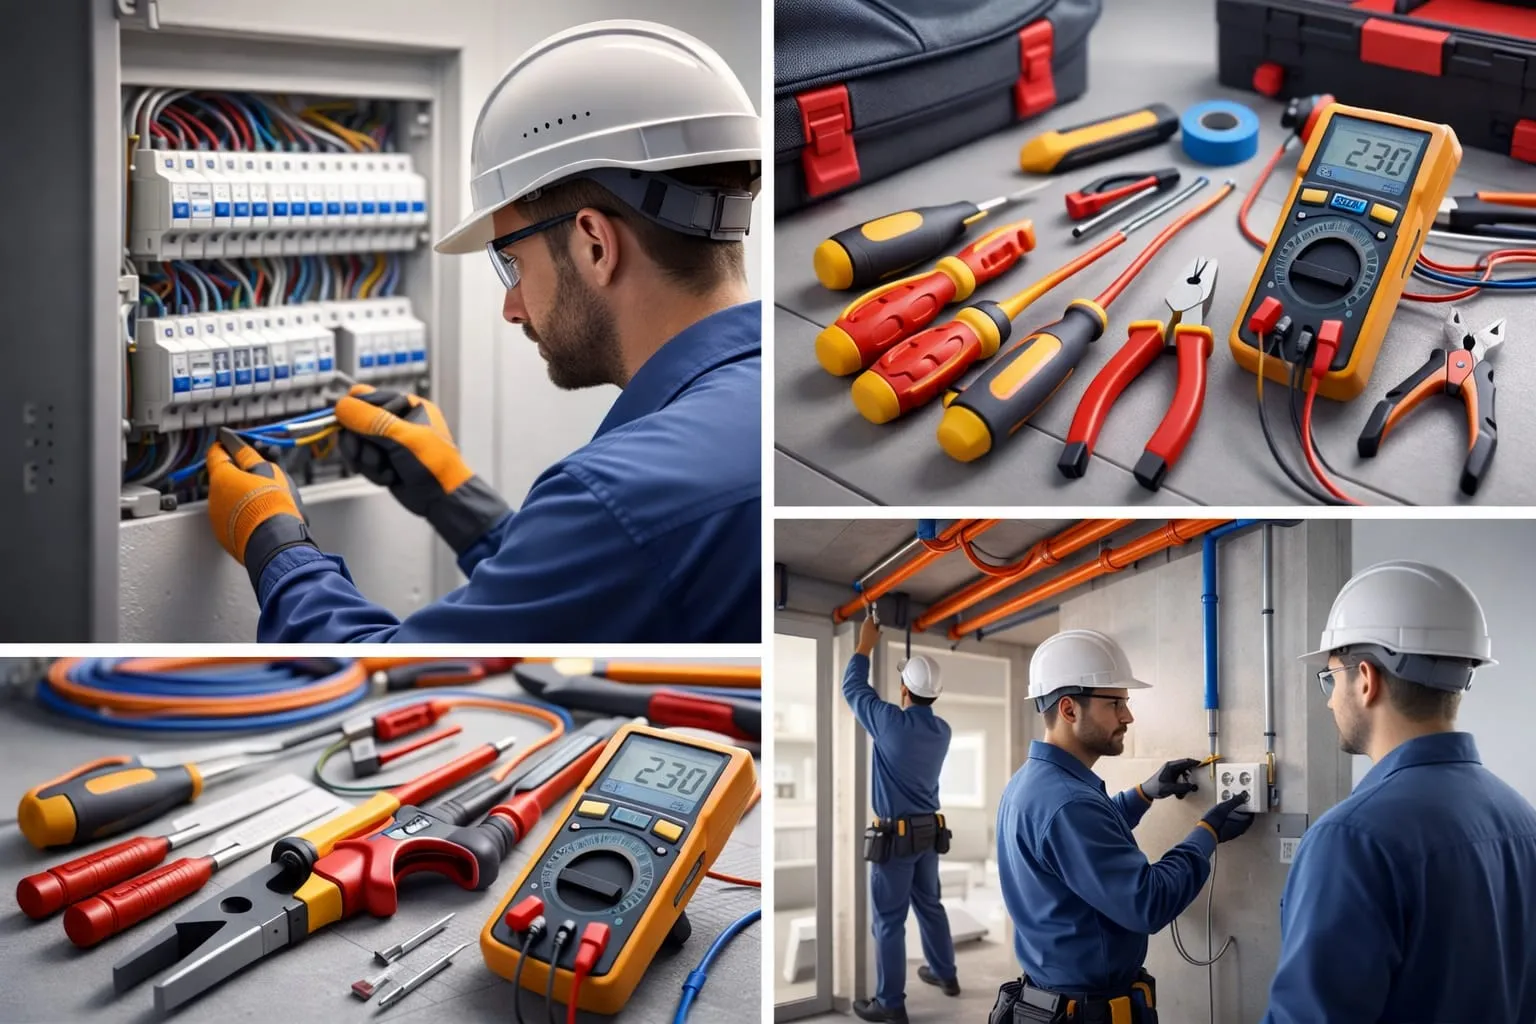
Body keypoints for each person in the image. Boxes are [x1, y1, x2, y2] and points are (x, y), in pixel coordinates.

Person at [200, 20, 761, 641]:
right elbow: (614, 581)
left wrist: (275, 545)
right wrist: (458, 501)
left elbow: (397, 672)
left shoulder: (618, 495)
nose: (512, 307)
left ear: (595, 244)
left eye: (512, 262)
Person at [1264, 561, 1536, 1022]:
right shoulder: (1522, 819)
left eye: (1331, 677)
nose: (1330, 699)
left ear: (1366, 679)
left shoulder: (1351, 840)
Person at [991, 629, 1254, 1024]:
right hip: (1085, 1012)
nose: (1128, 716)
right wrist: (1208, 831)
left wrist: (1145, 792)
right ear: (1068, 709)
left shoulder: (1034, 783)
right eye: (1115, 703)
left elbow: (1082, 842)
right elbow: (1148, 903)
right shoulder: (1069, 802)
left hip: (1054, 1000)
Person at [843, 613, 959, 1024]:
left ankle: (891, 1004)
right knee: (931, 906)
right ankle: (946, 974)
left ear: (904, 688)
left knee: (889, 922)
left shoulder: (891, 722)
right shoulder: (941, 730)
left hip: (896, 841)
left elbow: (852, 688)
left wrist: (864, 645)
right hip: (929, 834)